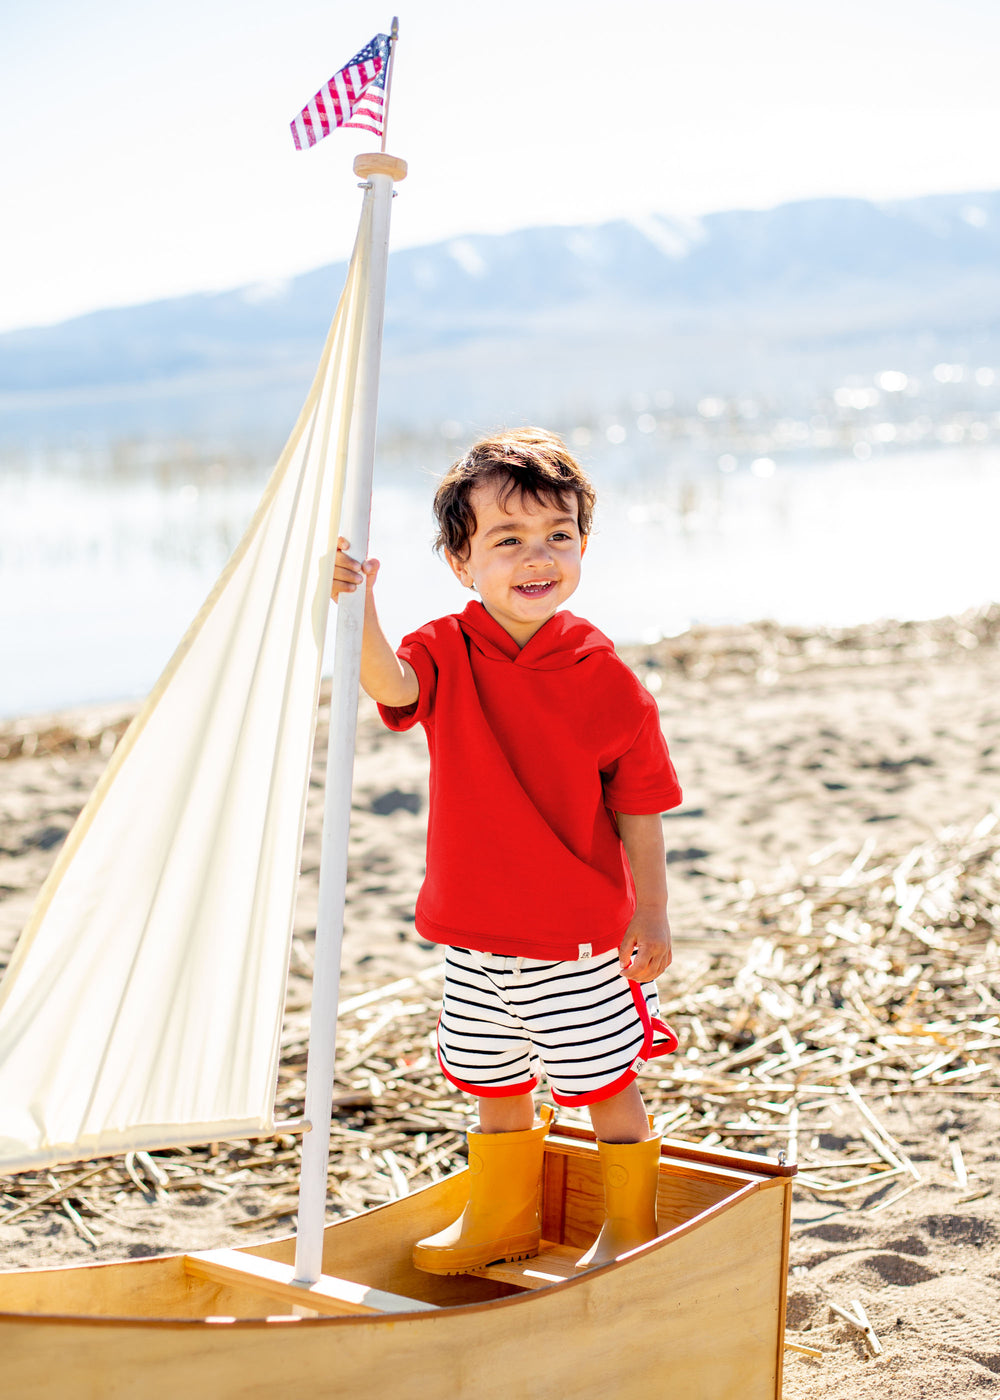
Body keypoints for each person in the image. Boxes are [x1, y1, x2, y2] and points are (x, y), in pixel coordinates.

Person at [331, 427, 682, 1274]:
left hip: (574, 940)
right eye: (509, 539)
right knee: (493, 1084)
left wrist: (655, 912)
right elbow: (392, 687)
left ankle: (627, 1227)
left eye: (559, 535)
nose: (538, 558)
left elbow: (640, 809)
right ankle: (499, 1217)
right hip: (473, 933)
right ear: (462, 561)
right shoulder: (447, 648)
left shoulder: (606, 679)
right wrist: (357, 607)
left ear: (583, 546)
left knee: (602, 1084)